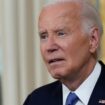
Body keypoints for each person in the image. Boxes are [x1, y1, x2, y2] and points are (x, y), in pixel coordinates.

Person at [23, 0, 105, 105]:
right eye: (44, 36)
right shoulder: (36, 100)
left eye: (61, 33)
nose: (49, 46)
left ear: (93, 39)